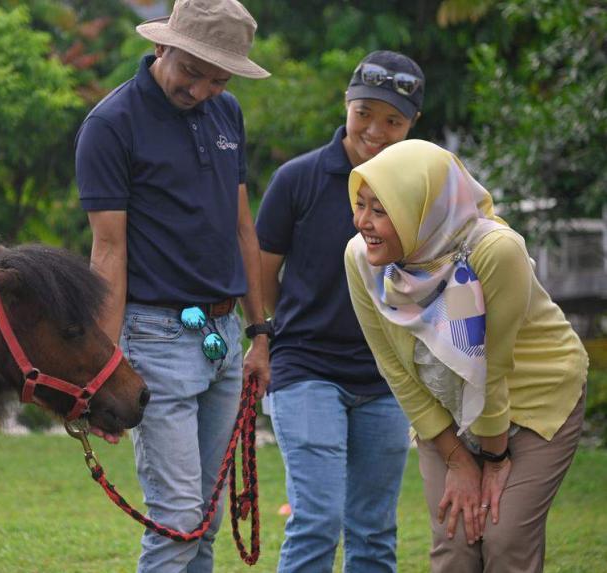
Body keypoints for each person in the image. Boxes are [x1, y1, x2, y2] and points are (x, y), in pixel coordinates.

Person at [74, 1, 271, 571]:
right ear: (163, 46)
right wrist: (103, 369)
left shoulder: (226, 113)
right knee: (179, 519)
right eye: (192, 71)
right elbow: (108, 252)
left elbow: (242, 226)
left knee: (205, 521)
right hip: (156, 336)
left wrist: (259, 334)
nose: (203, 89)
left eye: (219, 78)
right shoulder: (111, 126)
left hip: (225, 334)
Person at [344, 139, 588, 573]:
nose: (363, 222)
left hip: (535, 400)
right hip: (447, 409)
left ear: (419, 208)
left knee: (504, 538)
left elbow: (490, 370)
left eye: (380, 211)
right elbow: (394, 368)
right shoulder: (362, 259)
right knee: (455, 541)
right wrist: (458, 459)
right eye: (360, 204)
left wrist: (493, 461)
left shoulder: (494, 251)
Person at [254, 50, 425, 572]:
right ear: (346, 105)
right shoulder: (297, 179)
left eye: (393, 120)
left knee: (374, 530)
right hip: (307, 369)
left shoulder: (422, 188)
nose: (376, 129)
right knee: (319, 519)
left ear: (412, 124)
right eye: (365, 113)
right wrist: (269, 336)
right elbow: (262, 271)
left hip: (387, 377)